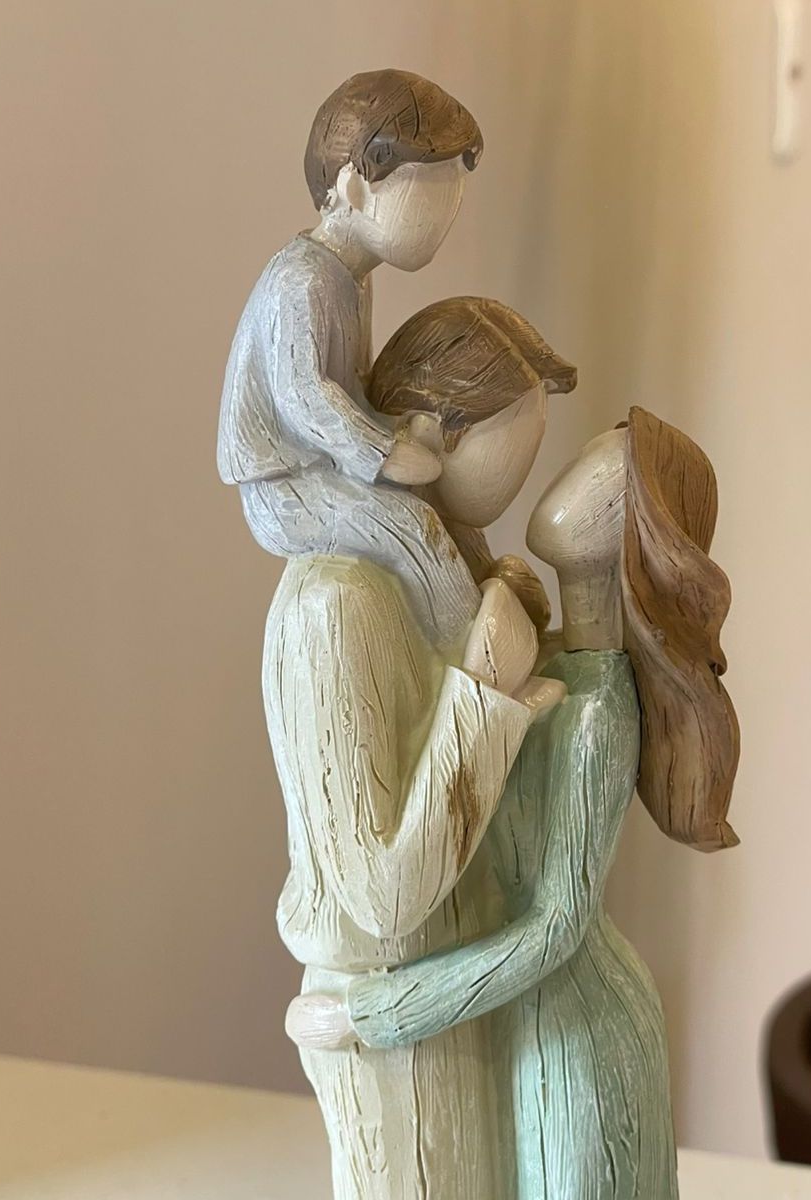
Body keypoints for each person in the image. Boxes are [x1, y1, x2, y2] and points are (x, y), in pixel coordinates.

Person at [288, 408, 741, 1200]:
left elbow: (555, 927)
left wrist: (370, 1016)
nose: (573, 471)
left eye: (606, 469)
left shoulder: (602, 709)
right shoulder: (552, 653)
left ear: (637, 524)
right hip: (520, 1019)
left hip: (577, 1026)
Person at [265, 297, 576, 1200]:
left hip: (460, 978)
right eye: (515, 448)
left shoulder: (443, 571)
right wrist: (484, 693)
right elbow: (384, 896)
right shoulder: (336, 605)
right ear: (431, 433)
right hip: (385, 1006)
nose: (526, 475)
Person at [218, 69, 488, 649]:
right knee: (411, 527)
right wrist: (382, 453)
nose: (449, 210)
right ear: (356, 187)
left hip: (325, 468)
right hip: (285, 487)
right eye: (431, 190)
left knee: (440, 502)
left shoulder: (353, 278)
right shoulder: (302, 280)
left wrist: (397, 426)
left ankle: (492, 598)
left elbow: (352, 386)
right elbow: (304, 396)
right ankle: (476, 658)